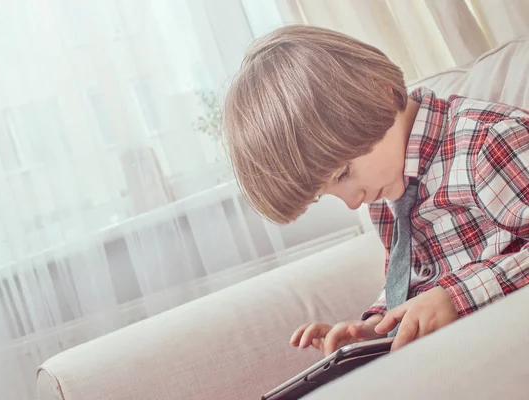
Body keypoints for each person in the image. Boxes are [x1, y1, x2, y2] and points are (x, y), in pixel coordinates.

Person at [222, 25, 529, 355]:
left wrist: (457, 297)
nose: (353, 202)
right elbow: (412, 280)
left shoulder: (486, 142)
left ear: (381, 94)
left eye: (343, 174)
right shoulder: (387, 191)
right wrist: (376, 327)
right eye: (324, 193)